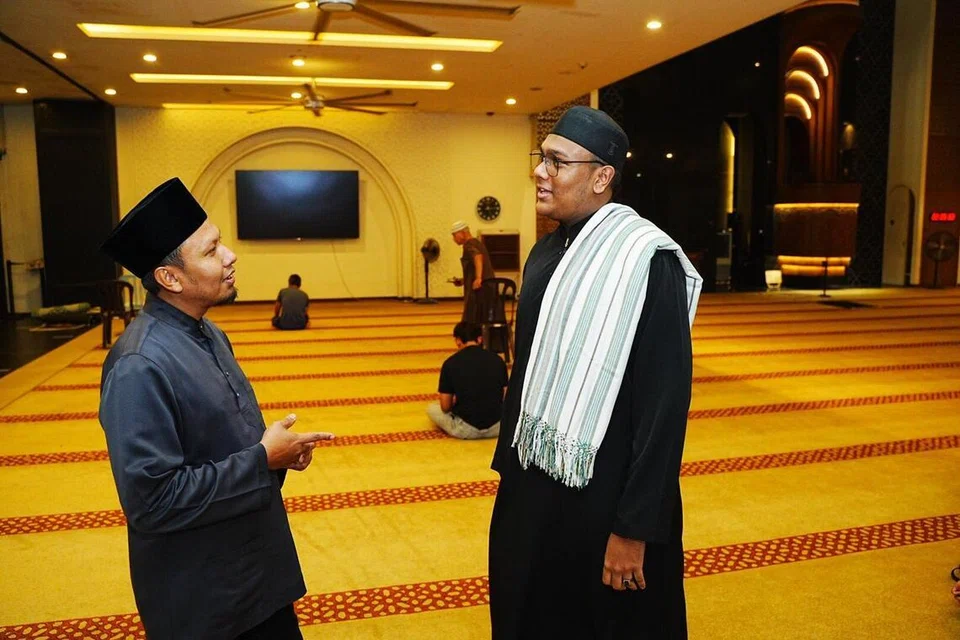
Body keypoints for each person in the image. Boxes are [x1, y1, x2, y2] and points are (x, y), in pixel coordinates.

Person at [488, 106, 703, 639]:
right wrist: (510, 480)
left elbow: (663, 406)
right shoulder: (544, 253)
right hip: (535, 487)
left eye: (556, 162)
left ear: (602, 177)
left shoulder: (647, 260)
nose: (540, 172)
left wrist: (634, 529)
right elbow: (527, 371)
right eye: (541, 158)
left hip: (607, 499)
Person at [98, 177, 333, 640]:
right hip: (204, 597)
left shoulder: (210, 333)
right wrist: (263, 459)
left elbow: (227, 444)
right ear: (170, 278)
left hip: (257, 572)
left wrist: (277, 455)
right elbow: (152, 501)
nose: (230, 256)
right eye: (211, 251)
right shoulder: (139, 365)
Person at [426, 321, 508, 440]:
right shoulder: (498, 360)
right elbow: (506, 397)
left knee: (433, 409)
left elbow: (445, 406)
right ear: (480, 339)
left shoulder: (450, 363)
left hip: (466, 430)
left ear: (458, 341)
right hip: (498, 428)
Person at [450, 221, 498, 324]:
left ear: (462, 233)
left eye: (454, 235)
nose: (453, 239)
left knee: (473, 320)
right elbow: (475, 267)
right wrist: (463, 281)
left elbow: (477, 256)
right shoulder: (477, 243)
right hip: (488, 287)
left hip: (480, 290)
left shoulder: (469, 245)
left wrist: (478, 278)